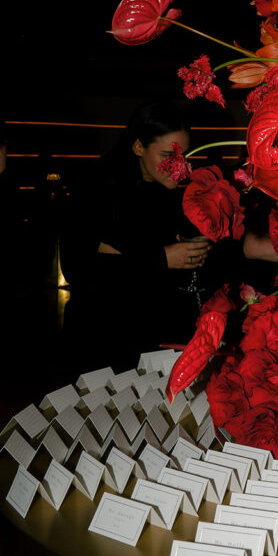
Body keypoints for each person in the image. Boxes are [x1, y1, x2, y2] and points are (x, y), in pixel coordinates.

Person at [60, 102, 214, 373]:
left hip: (154, 339)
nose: (181, 167)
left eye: (184, 156)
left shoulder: (171, 192)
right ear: (138, 147)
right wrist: (162, 258)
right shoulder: (97, 187)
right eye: (168, 155)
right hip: (101, 342)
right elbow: (77, 268)